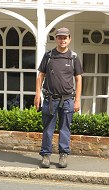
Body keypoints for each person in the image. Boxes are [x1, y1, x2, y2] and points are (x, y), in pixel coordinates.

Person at [34, 27, 83, 168]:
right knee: (48, 128)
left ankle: (63, 155)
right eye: (60, 37)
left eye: (65, 37)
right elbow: (40, 76)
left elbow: (78, 79)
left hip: (67, 99)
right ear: (56, 39)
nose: (62, 40)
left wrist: (77, 100)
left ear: (69, 39)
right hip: (50, 99)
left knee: (65, 128)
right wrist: (38, 94)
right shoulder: (49, 56)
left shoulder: (73, 57)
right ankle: (46, 155)